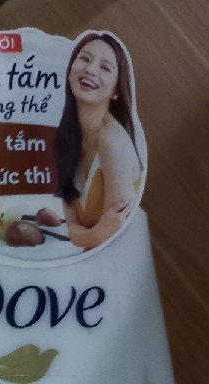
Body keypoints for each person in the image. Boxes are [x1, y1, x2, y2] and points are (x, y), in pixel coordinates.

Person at [54, 33, 141, 251]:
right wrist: (95, 234)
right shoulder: (66, 138)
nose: (90, 70)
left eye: (105, 68)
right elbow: (72, 229)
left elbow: (115, 234)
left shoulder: (112, 141)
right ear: (70, 68)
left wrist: (93, 235)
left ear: (116, 90)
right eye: (85, 58)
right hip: (91, 261)